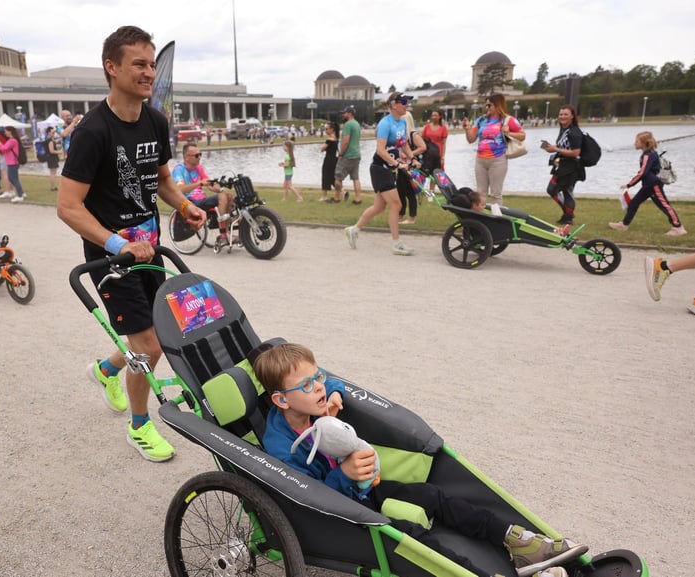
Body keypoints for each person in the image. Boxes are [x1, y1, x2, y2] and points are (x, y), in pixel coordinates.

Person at [254, 342, 585, 577]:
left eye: (319, 378)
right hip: (343, 510)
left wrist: (336, 389)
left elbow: (329, 380)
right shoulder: (283, 448)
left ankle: (518, 543)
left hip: (366, 487)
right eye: (308, 384)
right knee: (411, 536)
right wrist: (345, 473)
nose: (319, 388)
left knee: (434, 496)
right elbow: (311, 500)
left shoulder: (316, 401)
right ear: (281, 400)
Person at [56, 25, 206, 462]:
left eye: (152, 64)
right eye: (139, 64)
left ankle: (106, 371)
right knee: (150, 344)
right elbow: (68, 206)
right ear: (112, 67)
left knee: (155, 335)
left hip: (151, 250)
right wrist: (117, 242)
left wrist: (184, 204)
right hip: (112, 257)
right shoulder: (91, 132)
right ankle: (140, 426)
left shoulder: (156, 120)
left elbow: (160, 181)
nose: (149, 73)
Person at [344, 92, 415, 256]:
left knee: (379, 207)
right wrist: (397, 163)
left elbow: (403, 145)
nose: (407, 105)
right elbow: (381, 150)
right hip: (380, 169)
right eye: (404, 102)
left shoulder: (402, 122)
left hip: (389, 169)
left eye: (407, 102)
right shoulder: (385, 124)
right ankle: (397, 243)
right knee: (396, 205)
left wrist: (412, 158)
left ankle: (354, 230)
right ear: (394, 105)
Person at [609, 131, 686, 236]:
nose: (634, 143)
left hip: (654, 185)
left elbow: (642, 172)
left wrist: (629, 184)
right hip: (647, 186)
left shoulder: (648, 155)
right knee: (634, 203)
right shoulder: (649, 154)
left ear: (644, 143)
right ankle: (624, 225)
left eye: (637, 141)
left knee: (664, 205)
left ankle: (678, 228)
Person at [463, 93, 525, 206]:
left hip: (498, 159)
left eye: (489, 105)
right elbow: (471, 139)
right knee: (480, 192)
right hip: (480, 159)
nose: (487, 108)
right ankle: (481, 218)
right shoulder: (481, 120)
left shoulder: (507, 120)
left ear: (498, 105)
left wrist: (508, 132)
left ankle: (496, 218)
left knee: (496, 193)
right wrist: (467, 129)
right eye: (486, 105)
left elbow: (522, 135)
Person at [172, 143, 235, 245]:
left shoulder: (199, 168)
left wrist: (221, 188)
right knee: (223, 196)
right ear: (186, 157)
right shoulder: (179, 170)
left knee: (227, 195)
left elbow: (209, 184)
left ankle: (227, 232)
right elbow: (180, 189)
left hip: (202, 200)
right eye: (196, 155)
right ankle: (223, 235)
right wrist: (199, 183)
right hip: (190, 202)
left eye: (200, 154)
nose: (199, 157)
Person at [542, 105, 584, 226]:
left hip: (571, 168)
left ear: (572, 116)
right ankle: (568, 215)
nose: (562, 116)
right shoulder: (564, 130)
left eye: (566, 114)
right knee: (561, 191)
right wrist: (552, 149)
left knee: (558, 190)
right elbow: (563, 146)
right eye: (561, 114)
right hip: (563, 166)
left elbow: (576, 152)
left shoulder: (574, 132)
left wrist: (557, 149)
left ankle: (568, 216)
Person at [397, 112, 427, 225]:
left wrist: (410, 154)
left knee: (410, 192)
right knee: (400, 190)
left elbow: (423, 147)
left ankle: (412, 217)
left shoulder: (413, 135)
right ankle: (401, 213)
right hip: (401, 165)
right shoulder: (401, 135)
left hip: (410, 167)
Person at [334, 105, 362, 204]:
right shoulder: (357, 124)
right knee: (355, 178)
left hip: (348, 155)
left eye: (345, 113)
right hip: (357, 154)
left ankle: (336, 198)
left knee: (338, 176)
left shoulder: (348, 125)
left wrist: (341, 153)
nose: (343, 114)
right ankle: (358, 199)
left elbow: (345, 141)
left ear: (349, 114)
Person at [0, 126, 27, 203]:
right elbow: (4, 149)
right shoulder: (12, 140)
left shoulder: (12, 141)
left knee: (13, 178)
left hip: (13, 162)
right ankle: (21, 193)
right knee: (13, 178)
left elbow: (3, 148)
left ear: (10, 132)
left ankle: (20, 195)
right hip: (11, 162)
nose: (5, 133)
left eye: (6, 131)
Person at [422, 110, 448, 192]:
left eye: (436, 115)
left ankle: (432, 191)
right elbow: (422, 140)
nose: (433, 117)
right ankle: (421, 189)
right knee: (425, 171)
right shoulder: (427, 127)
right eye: (432, 115)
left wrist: (443, 156)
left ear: (440, 116)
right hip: (428, 152)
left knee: (436, 173)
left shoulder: (443, 128)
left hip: (438, 153)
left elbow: (444, 144)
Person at [319, 121, 340, 203]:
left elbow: (322, 149)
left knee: (326, 177)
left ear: (332, 129)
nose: (325, 130)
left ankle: (324, 196)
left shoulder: (330, 140)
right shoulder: (336, 139)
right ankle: (342, 192)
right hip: (335, 159)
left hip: (328, 159)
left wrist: (325, 145)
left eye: (327, 129)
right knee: (333, 177)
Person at [45, 126, 63, 191]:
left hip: (50, 158)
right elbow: (51, 151)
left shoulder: (48, 140)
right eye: (52, 132)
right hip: (52, 158)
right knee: (53, 173)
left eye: (54, 132)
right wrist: (59, 152)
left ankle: (53, 186)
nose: (54, 133)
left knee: (52, 172)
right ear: (49, 132)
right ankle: (52, 187)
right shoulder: (50, 141)